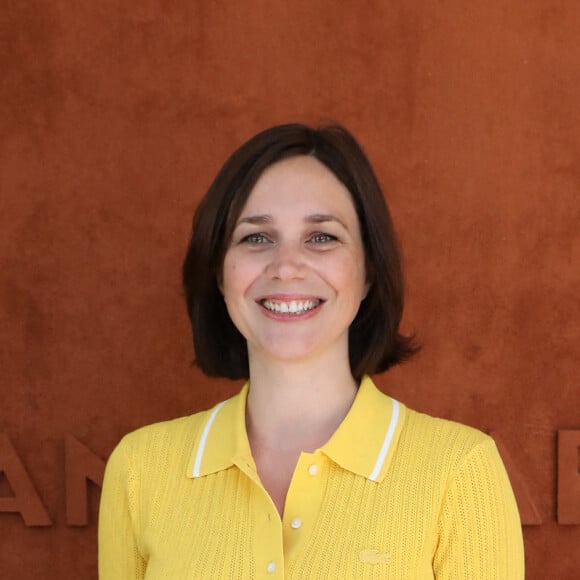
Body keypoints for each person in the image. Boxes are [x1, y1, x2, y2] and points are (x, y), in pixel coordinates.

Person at [98, 123, 525, 578]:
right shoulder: (141, 469)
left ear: (368, 273)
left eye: (322, 237)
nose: (286, 267)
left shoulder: (458, 471)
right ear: (220, 274)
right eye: (255, 237)